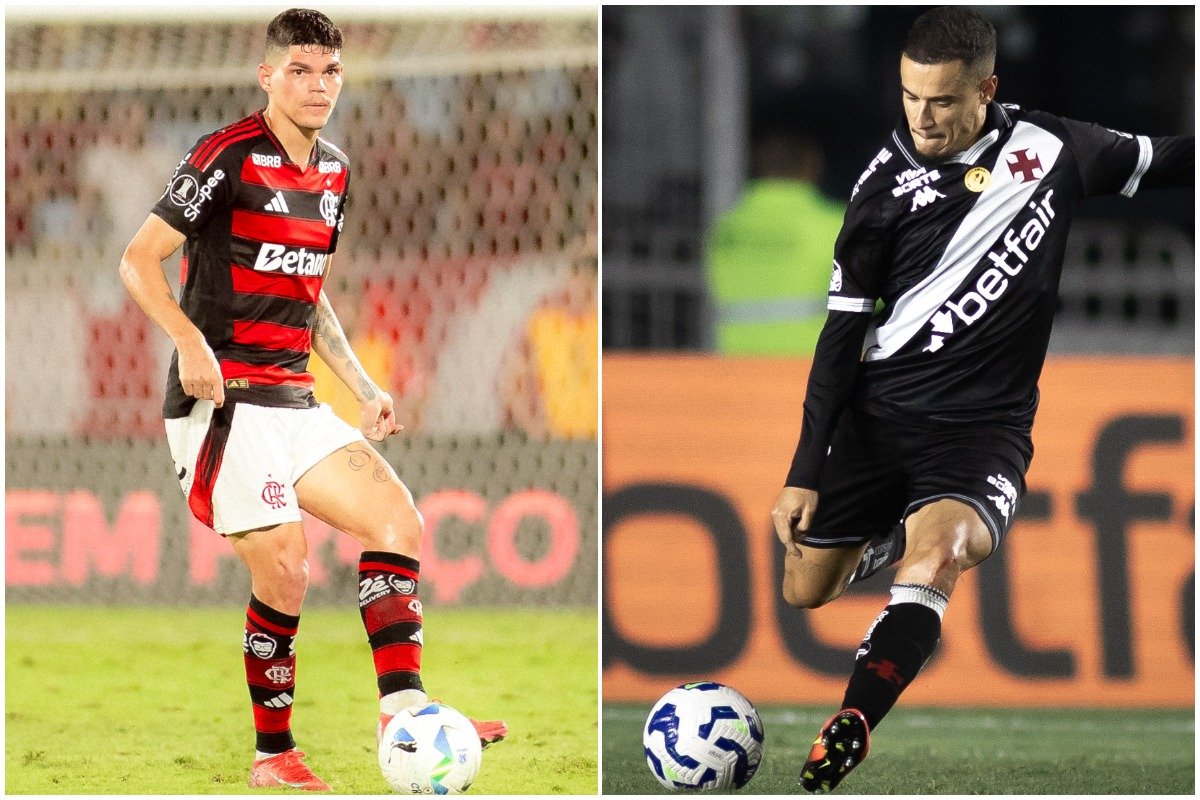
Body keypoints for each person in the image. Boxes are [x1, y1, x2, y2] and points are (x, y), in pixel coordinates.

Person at [769, 7, 1192, 794]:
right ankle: (884, 542)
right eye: (909, 98)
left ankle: (855, 719)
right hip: (880, 417)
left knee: (946, 551)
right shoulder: (880, 194)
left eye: (941, 101)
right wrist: (803, 468)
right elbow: (838, 344)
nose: (922, 118)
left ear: (986, 90)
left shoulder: (1052, 148)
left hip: (983, 433)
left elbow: (1170, 160)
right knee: (805, 589)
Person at [118, 9, 506, 791]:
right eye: (299, 70)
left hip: (295, 400)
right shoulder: (224, 156)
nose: (317, 85)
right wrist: (190, 343)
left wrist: (364, 385)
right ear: (267, 76)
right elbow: (137, 260)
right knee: (287, 572)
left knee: (398, 522)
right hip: (224, 404)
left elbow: (311, 295)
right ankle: (274, 756)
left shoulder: (335, 169)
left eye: (329, 71)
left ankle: (403, 712)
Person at [707, 125, 845, 355]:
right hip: (808, 366)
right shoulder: (835, 224)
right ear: (814, 166)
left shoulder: (727, 227)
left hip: (737, 363)